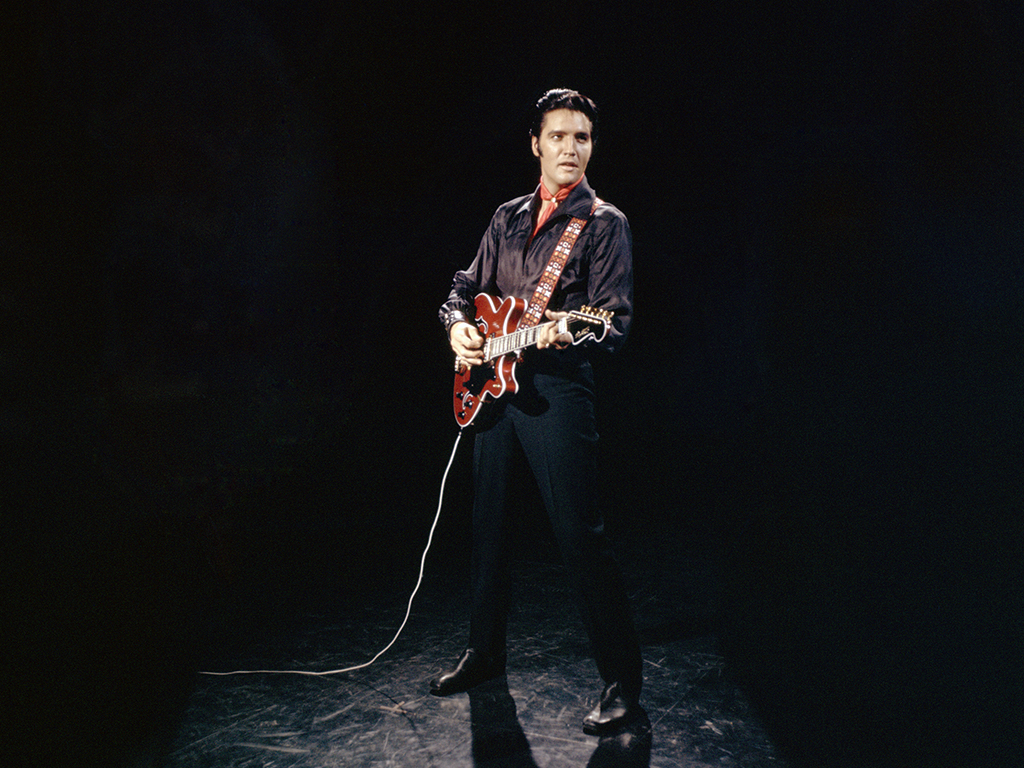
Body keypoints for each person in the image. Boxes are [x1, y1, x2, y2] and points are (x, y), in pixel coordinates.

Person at [432, 89, 643, 734]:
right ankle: (485, 653)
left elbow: (612, 321)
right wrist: (458, 331)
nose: (570, 149)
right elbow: (463, 290)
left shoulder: (605, 223)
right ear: (536, 143)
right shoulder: (506, 217)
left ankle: (621, 681)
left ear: (591, 147)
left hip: (555, 392)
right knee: (488, 526)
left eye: (582, 138)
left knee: (580, 535)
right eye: (558, 136)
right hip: (493, 387)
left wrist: (565, 328)